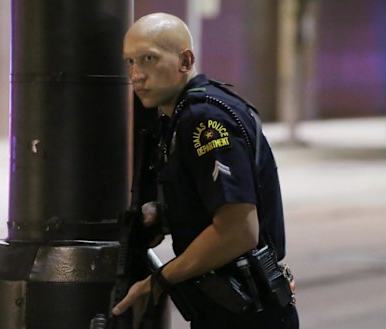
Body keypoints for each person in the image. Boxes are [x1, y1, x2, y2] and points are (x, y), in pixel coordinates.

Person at [113, 12, 299, 329]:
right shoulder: (181, 116)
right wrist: (164, 214)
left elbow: (238, 230)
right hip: (229, 312)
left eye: (148, 59)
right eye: (130, 62)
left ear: (185, 61)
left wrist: (156, 282)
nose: (137, 75)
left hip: (246, 316)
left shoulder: (203, 120)